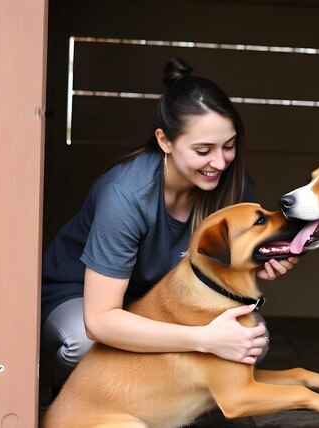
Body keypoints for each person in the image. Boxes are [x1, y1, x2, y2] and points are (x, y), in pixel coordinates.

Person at [39, 58, 298, 405]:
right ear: (165, 141)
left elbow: (221, 270)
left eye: (229, 146)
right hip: (84, 299)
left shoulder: (232, 185)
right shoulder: (126, 194)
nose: (220, 163)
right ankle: (66, 394)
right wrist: (205, 339)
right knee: (87, 345)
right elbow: (100, 322)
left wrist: (263, 261)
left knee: (252, 339)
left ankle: (170, 411)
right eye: (203, 150)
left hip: (158, 300)